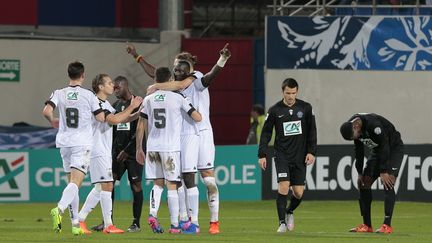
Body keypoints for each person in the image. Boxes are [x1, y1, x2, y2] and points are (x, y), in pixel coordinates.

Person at [126, 43, 231, 234]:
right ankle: (184, 220)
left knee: (207, 179)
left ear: (189, 67)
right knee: (181, 179)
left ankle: (213, 221)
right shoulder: (171, 84)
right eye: (175, 67)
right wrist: (137, 57)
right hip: (179, 136)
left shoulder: (195, 77)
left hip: (202, 132)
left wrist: (221, 60)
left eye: (179, 66)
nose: (176, 70)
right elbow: (156, 72)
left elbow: (208, 78)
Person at [136, 67, 202, 234]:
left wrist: (139, 148)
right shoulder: (178, 98)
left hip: (152, 147)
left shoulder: (148, 99)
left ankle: (152, 214)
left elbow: (140, 125)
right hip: (170, 148)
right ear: (171, 79)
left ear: (156, 80)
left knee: (157, 184)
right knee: (172, 185)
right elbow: (197, 117)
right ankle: (174, 225)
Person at [42, 61, 105, 235]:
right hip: (81, 143)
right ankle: (59, 209)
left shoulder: (59, 93)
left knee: (71, 184)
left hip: (64, 142)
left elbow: (47, 111)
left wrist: (53, 120)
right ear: (83, 76)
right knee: (76, 183)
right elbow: (100, 118)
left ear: (69, 75)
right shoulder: (89, 95)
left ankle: (76, 224)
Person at [77, 74, 143, 234]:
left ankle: (81, 219)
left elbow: (121, 119)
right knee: (107, 186)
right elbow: (113, 120)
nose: (112, 85)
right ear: (100, 87)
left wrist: (138, 113)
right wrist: (132, 106)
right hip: (98, 150)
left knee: (103, 187)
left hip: (104, 151)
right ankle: (106, 225)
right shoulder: (97, 103)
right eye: (109, 83)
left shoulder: (105, 103)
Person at [258, 78, 317, 233]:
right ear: (282, 91)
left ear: (297, 92)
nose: (290, 96)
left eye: (293, 93)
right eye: (287, 93)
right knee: (284, 185)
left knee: (298, 192)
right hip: (282, 154)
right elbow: (266, 134)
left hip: (300, 156)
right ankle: (282, 223)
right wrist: (262, 154)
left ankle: (289, 211)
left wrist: (312, 152)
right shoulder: (275, 110)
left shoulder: (306, 108)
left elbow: (312, 131)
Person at [340, 113, 404, 234]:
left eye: (356, 135)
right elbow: (358, 150)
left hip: (393, 149)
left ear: (356, 126)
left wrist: (384, 171)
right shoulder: (350, 125)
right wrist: (359, 173)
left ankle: (387, 225)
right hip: (377, 151)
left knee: (388, 182)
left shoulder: (374, 125)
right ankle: (367, 225)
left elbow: (385, 147)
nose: (358, 137)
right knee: (364, 183)